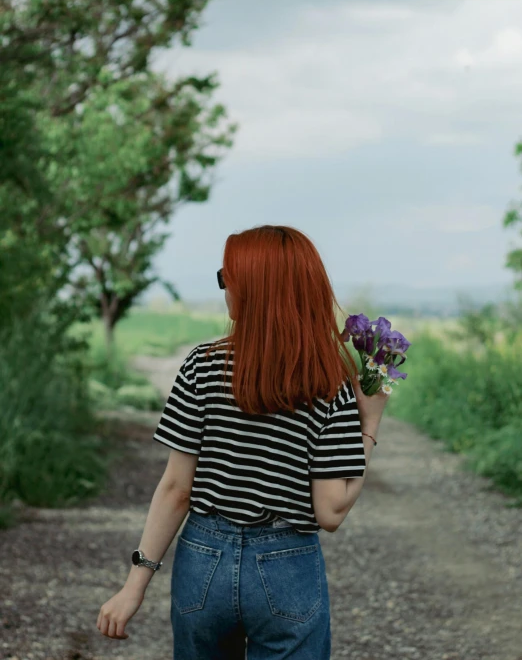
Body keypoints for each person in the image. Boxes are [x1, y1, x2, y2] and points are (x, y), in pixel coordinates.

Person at [96, 224, 390, 659]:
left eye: (227, 276)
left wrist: (133, 585)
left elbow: (177, 489)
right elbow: (330, 510)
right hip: (287, 566)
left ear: (254, 289)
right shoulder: (328, 382)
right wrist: (370, 426)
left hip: (202, 561)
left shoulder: (201, 367)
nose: (224, 286)